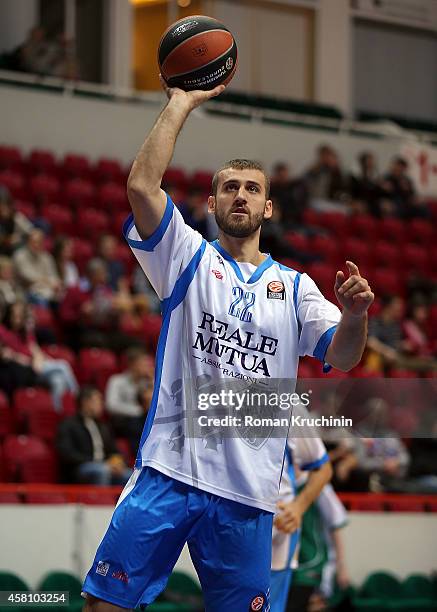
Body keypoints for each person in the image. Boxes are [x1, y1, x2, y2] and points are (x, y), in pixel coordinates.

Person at [82, 76, 373, 611]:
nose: (240, 194)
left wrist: (356, 315)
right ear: (212, 202)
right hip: (169, 474)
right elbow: (142, 188)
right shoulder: (187, 258)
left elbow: (344, 355)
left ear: (268, 209)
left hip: (248, 495)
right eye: (229, 186)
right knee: (105, 604)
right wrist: (180, 103)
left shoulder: (297, 288)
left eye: (253, 188)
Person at [270, 406, 333, 612]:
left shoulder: (287, 400)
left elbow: (323, 468)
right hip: (230, 525)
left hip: (282, 534)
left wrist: (298, 507)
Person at [0, 301, 78, 410]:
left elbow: (35, 349)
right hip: (22, 368)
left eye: (20, 316)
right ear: (8, 315)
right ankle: (77, 397)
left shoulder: (25, 331)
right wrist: (29, 361)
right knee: (63, 365)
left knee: (58, 381)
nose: (17, 319)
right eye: (14, 315)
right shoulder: (2, 331)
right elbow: (7, 354)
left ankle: (57, 411)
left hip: (36, 365)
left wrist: (38, 359)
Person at [57, 386, 131, 485]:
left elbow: (113, 450)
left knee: (129, 475)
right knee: (101, 471)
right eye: (98, 400)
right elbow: (67, 454)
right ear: (85, 402)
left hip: (105, 466)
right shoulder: (69, 425)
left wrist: (119, 462)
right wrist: (99, 462)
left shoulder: (103, 426)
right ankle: (101, 500)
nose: (101, 404)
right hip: (80, 468)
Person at [105, 347, 153, 455]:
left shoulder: (146, 383)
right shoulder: (116, 380)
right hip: (123, 421)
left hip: (143, 419)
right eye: (143, 364)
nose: (148, 367)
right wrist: (138, 411)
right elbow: (111, 405)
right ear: (132, 365)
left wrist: (152, 381)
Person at [13, 228, 61, 305]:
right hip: (25, 291)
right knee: (41, 300)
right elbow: (28, 277)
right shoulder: (19, 255)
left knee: (62, 299)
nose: (36, 245)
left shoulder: (47, 257)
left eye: (39, 242)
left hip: (46, 290)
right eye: (33, 242)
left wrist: (53, 283)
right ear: (28, 242)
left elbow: (54, 276)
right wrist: (47, 281)